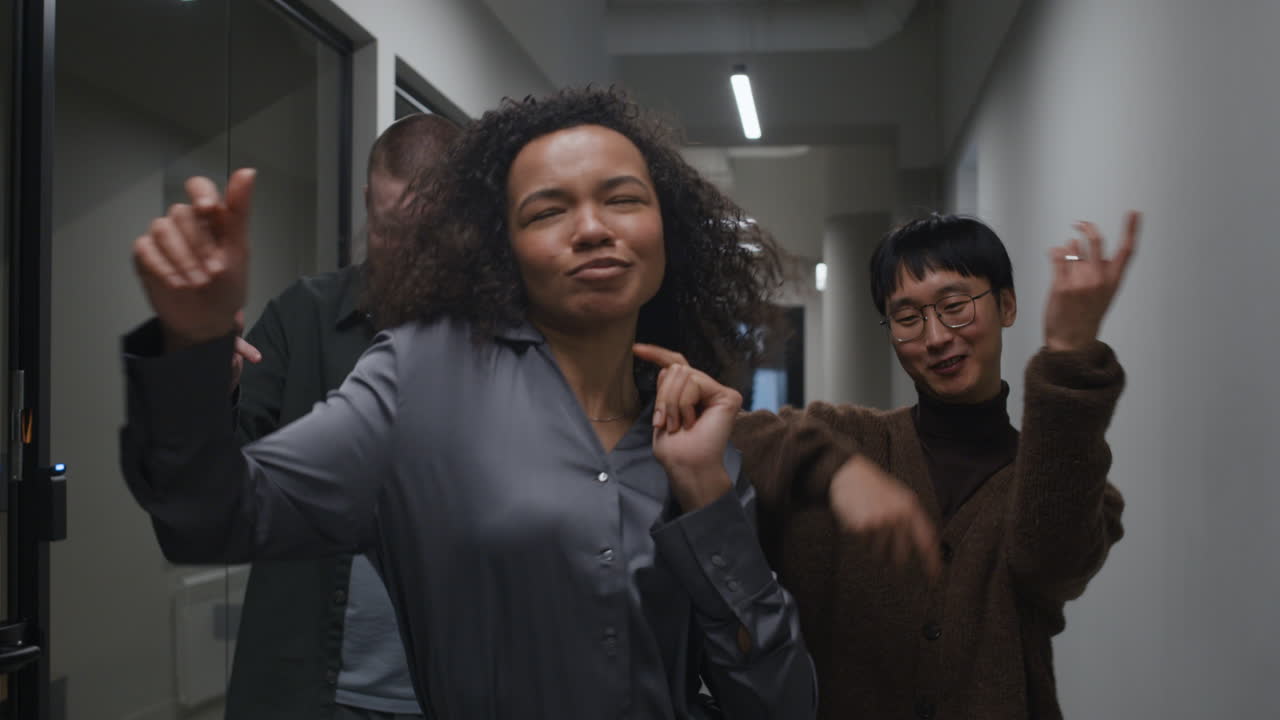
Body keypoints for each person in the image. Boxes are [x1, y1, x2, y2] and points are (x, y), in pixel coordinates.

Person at [120, 88, 816, 718]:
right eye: (548, 210)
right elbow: (210, 520)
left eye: (623, 199)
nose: (593, 228)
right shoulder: (417, 380)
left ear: (668, 228)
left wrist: (707, 501)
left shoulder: (702, 429)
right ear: (502, 248)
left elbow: (778, 702)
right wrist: (192, 352)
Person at [734, 212, 1139, 719]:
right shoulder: (844, 442)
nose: (936, 337)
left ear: (1006, 305)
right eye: (907, 318)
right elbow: (732, 438)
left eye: (955, 307)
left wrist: (1068, 356)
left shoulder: (1069, 485)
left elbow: (1051, 567)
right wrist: (836, 471)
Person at [226, 113, 460, 720]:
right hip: (314, 693)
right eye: (390, 230)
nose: (409, 257)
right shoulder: (302, 314)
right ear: (366, 204)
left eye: (430, 235)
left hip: (465, 688)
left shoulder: (515, 332)